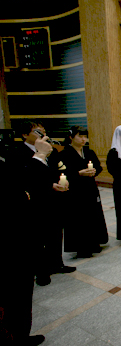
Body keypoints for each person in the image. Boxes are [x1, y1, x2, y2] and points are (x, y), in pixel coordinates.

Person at [0, 136, 54, 346]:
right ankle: (14, 336)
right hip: (11, 240)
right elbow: (20, 183)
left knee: (17, 293)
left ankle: (18, 333)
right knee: (13, 292)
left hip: (17, 235)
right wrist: (39, 155)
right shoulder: (17, 155)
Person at [9, 121, 73, 285]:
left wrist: (61, 181)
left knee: (55, 232)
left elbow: (58, 169)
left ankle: (57, 263)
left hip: (54, 199)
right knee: (38, 237)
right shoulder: (18, 153)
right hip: (35, 202)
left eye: (43, 132)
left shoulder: (50, 150)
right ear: (25, 135)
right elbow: (24, 178)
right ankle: (41, 272)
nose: (43, 135)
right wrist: (49, 184)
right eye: (38, 132)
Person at [59, 126, 108, 257]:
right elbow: (62, 173)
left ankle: (94, 242)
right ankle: (82, 247)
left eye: (85, 137)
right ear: (71, 137)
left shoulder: (89, 152)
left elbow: (98, 166)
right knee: (79, 218)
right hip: (76, 190)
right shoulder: (65, 154)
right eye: (80, 136)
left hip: (89, 188)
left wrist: (94, 171)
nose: (83, 139)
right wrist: (79, 173)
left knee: (93, 215)